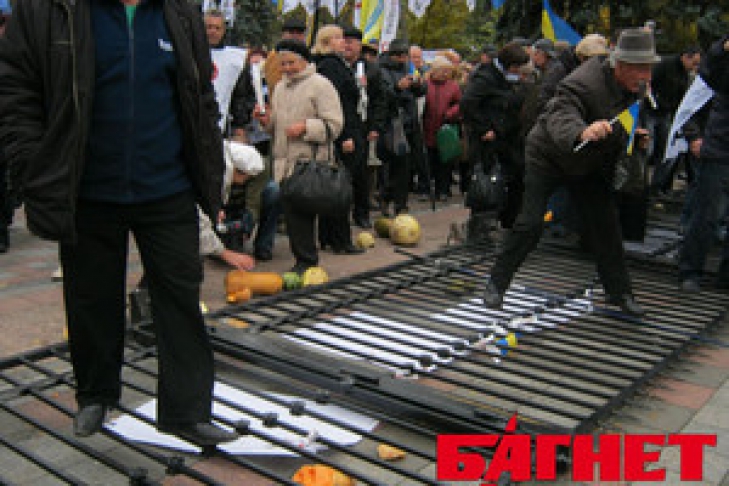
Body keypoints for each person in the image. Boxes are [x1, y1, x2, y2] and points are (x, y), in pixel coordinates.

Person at [0, 0, 238, 445]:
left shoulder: (179, 12)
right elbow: (16, 90)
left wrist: (209, 172)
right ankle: (96, 395)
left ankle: (186, 412)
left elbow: (199, 98)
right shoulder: (51, 10)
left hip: (168, 187)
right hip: (87, 189)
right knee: (91, 299)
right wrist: (32, 163)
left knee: (181, 300)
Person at [482, 28, 660, 317]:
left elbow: (627, 118)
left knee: (606, 224)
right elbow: (561, 114)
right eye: (641, 69)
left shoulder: (637, 87)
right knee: (530, 223)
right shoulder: (584, 82)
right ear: (621, 65)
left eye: (649, 68)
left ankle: (619, 293)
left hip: (589, 161)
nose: (647, 76)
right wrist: (581, 132)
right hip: (549, 155)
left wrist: (633, 136)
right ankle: (496, 284)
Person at [254, 39, 344, 274]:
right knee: (293, 216)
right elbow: (276, 128)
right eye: (283, 64)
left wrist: (306, 127)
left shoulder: (320, 85)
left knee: (303, 213)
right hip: (284, 164)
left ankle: (307, 262)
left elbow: (335, 125)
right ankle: (303, 261)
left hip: (309, 163)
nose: (286, 68)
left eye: (291, 63)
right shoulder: (280, 88)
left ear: (304, 61)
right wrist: (266, 121)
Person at [678, 36, 729, 293]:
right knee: (707, 214)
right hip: (721, 148)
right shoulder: (722, 61)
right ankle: (690, 270)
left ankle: (725, 277)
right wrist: (723, 48)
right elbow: (710, 74)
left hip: (719, 144)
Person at [461, 43, 531, 229]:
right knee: (488, 183)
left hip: (509, 138)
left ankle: (509, 223)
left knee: (514, 181)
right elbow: (467, 104)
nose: (518, 71)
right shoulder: (485, 78)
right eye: (516, 67)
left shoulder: (510, 80)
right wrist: (484, 128)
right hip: (490, 142)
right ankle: (483, 224)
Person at [311, 25, 364, 255]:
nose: (343, 41)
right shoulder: (330, 67)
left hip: (346, 127)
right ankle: (340, 239)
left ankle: (329, 236)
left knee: (334, 186)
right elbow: (336, 105)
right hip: (343, 131)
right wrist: (345, 135)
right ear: (326, 41)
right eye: (338, 38)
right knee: (340, 187)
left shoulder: (334, 64)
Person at [343, 26, 390, 228]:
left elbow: (380, 100)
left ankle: (361, 213)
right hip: (341, 124)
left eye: (351, 42)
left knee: (361, 173)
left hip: (362, 125)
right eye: (344, 41)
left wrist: (375, 126)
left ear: (359, 46)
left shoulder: (371, 69)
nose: (347, 46)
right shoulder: (336, 66)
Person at [378, 38, 427, 215]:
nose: (403, 59)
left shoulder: (409, 68)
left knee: (406, 166)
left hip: (410, 121)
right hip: (392, 123)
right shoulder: (381, 70)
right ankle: (386, 196)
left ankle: (401, 204)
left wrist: (418, 85)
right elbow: (382, 96)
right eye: (401, 56)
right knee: (392, 165)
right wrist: (398, 88)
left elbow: (421, 91)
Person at [647, 46, 702, 168]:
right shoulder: (664, 64)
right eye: (694, 63)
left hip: (666, 112)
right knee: (648, 147)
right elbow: (650, 82)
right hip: (651, 110)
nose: (694, 68)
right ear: (686, 57)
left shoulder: (685, 74)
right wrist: (653, 99)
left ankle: (659, 176)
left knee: (665, 149)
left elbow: (682, 96)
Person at [422, 56, 461, 201]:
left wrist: (450, 113)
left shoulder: (453, 86)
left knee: (444, 161)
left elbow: (459, 103)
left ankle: (443, 189)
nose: (446, 74)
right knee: (428, 159)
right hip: (427, 126)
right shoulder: (426, 84)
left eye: (447, 71)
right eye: (443, 71)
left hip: (445, 127)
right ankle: (426, 189)